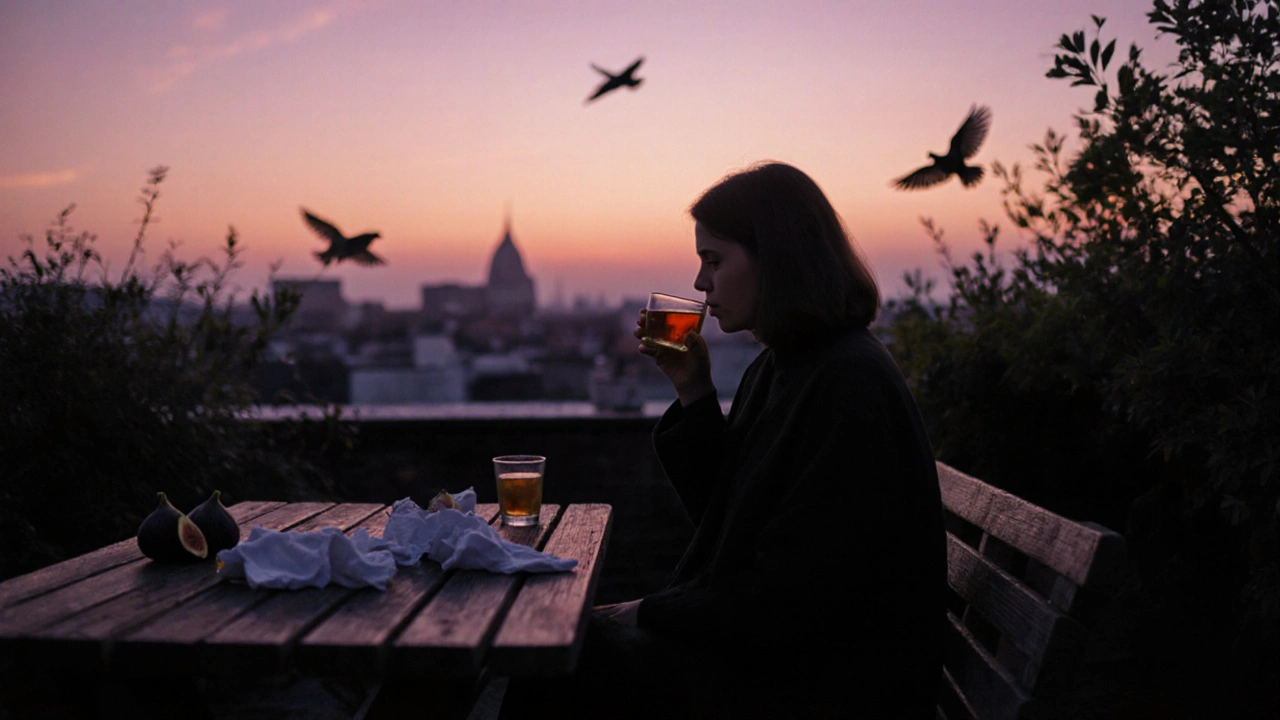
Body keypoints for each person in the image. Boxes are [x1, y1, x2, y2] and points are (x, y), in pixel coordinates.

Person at [500, 161, 945, 719]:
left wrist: (650, 612)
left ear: (776, 259)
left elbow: (797, 594)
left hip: (823, 686)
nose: (700, 284)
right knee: (562, 645)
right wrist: (694, 390)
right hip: (793, 663)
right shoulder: (791, 366)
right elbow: (733, 516)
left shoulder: (846, 383)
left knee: (564, 657)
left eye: (713, 260)